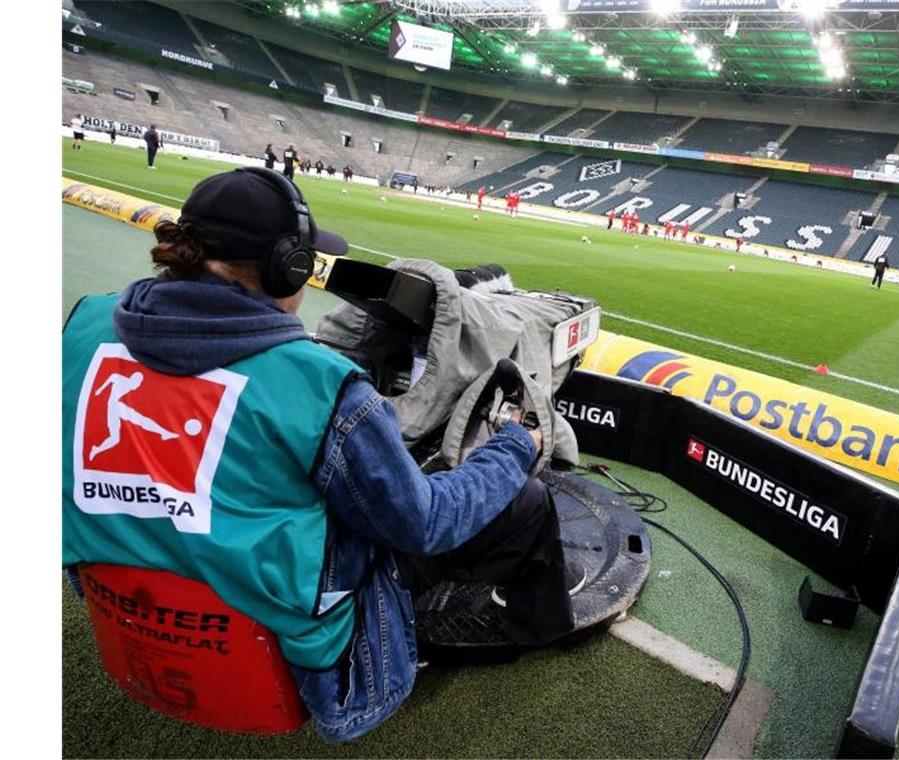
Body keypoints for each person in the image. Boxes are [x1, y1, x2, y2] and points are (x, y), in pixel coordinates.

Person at [62, 167, 582, 743]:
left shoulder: (83, 325)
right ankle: (542, 627)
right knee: (521, 500)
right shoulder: (320, 386)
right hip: (281, 635)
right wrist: (513, 446)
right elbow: (426, 524)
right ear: (290, 268)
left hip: (126, 599)